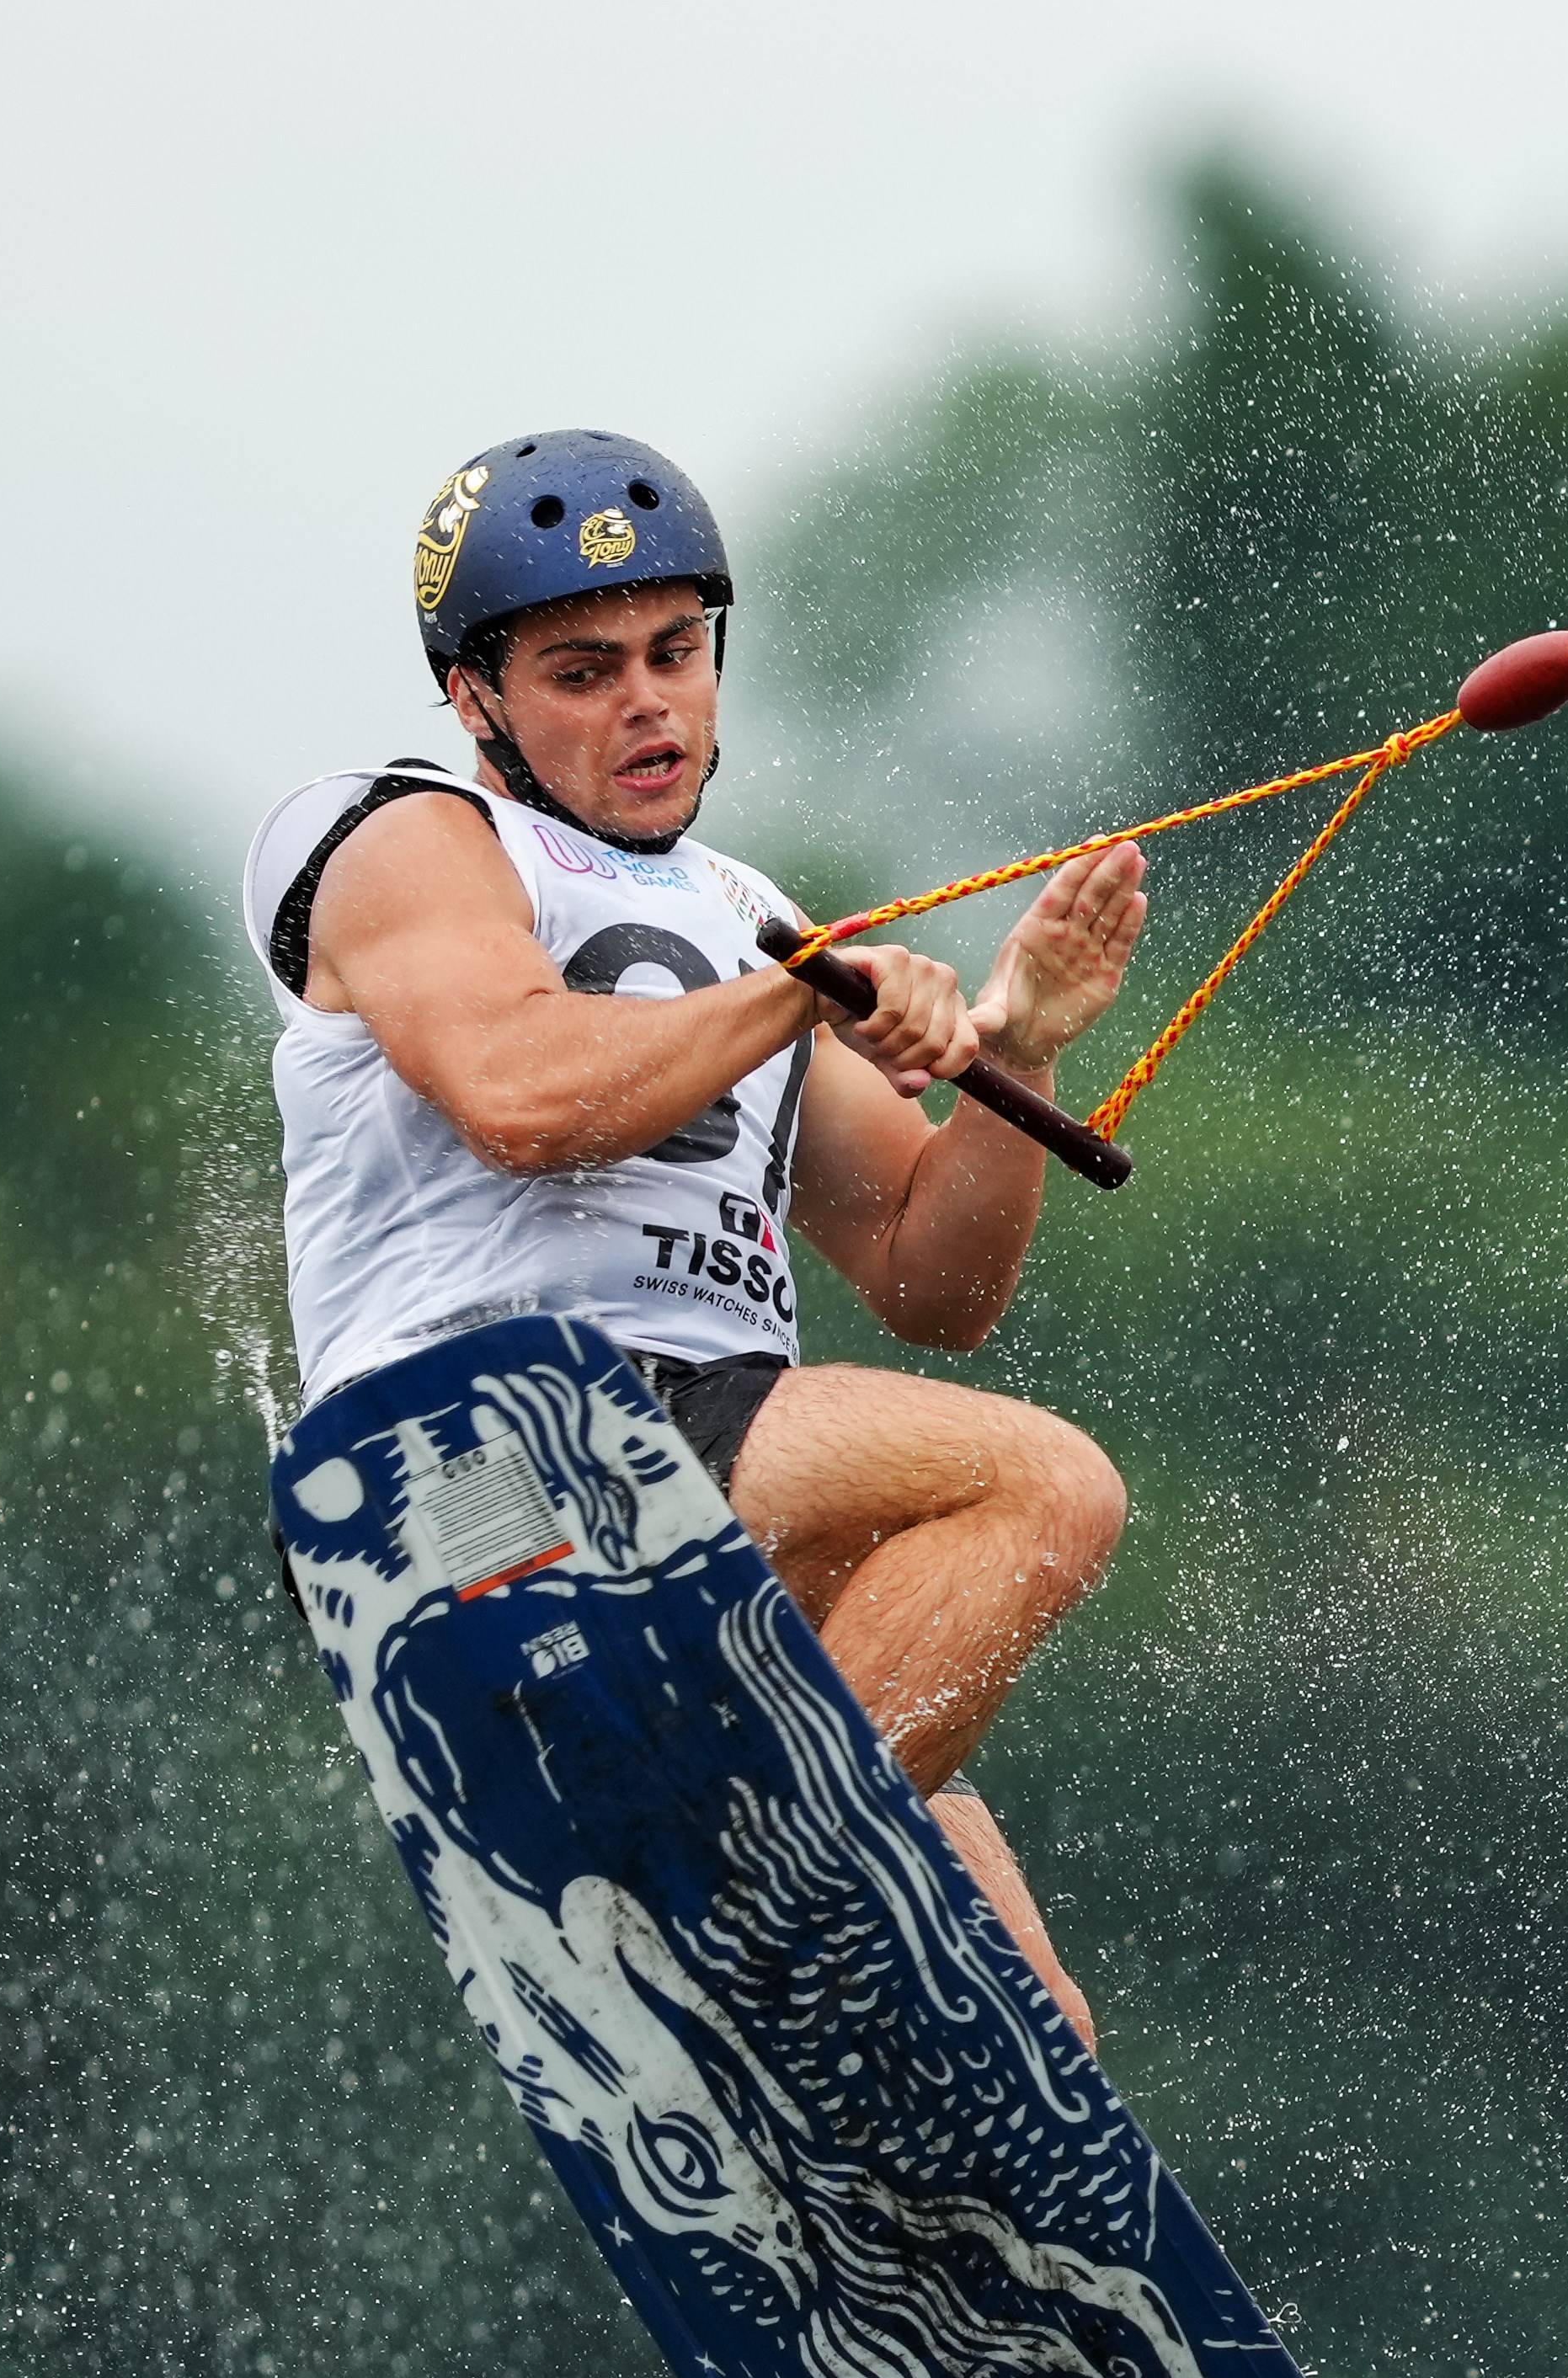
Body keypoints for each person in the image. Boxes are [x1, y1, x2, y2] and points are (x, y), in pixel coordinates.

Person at [243, 431, 1145, 2045]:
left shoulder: (748, 914)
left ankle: (892, 2209)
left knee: (1026, 2021)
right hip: (490, 1450)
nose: (648, 703)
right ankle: (742, 1906)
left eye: (676, 654)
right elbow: (520, 1092)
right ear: (477, 699)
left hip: (684, 1492)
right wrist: (800, 992)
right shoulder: (411, 840)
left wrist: (1020, 1057)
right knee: (1045, 1484)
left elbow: (934, 1281)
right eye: (584, 672)